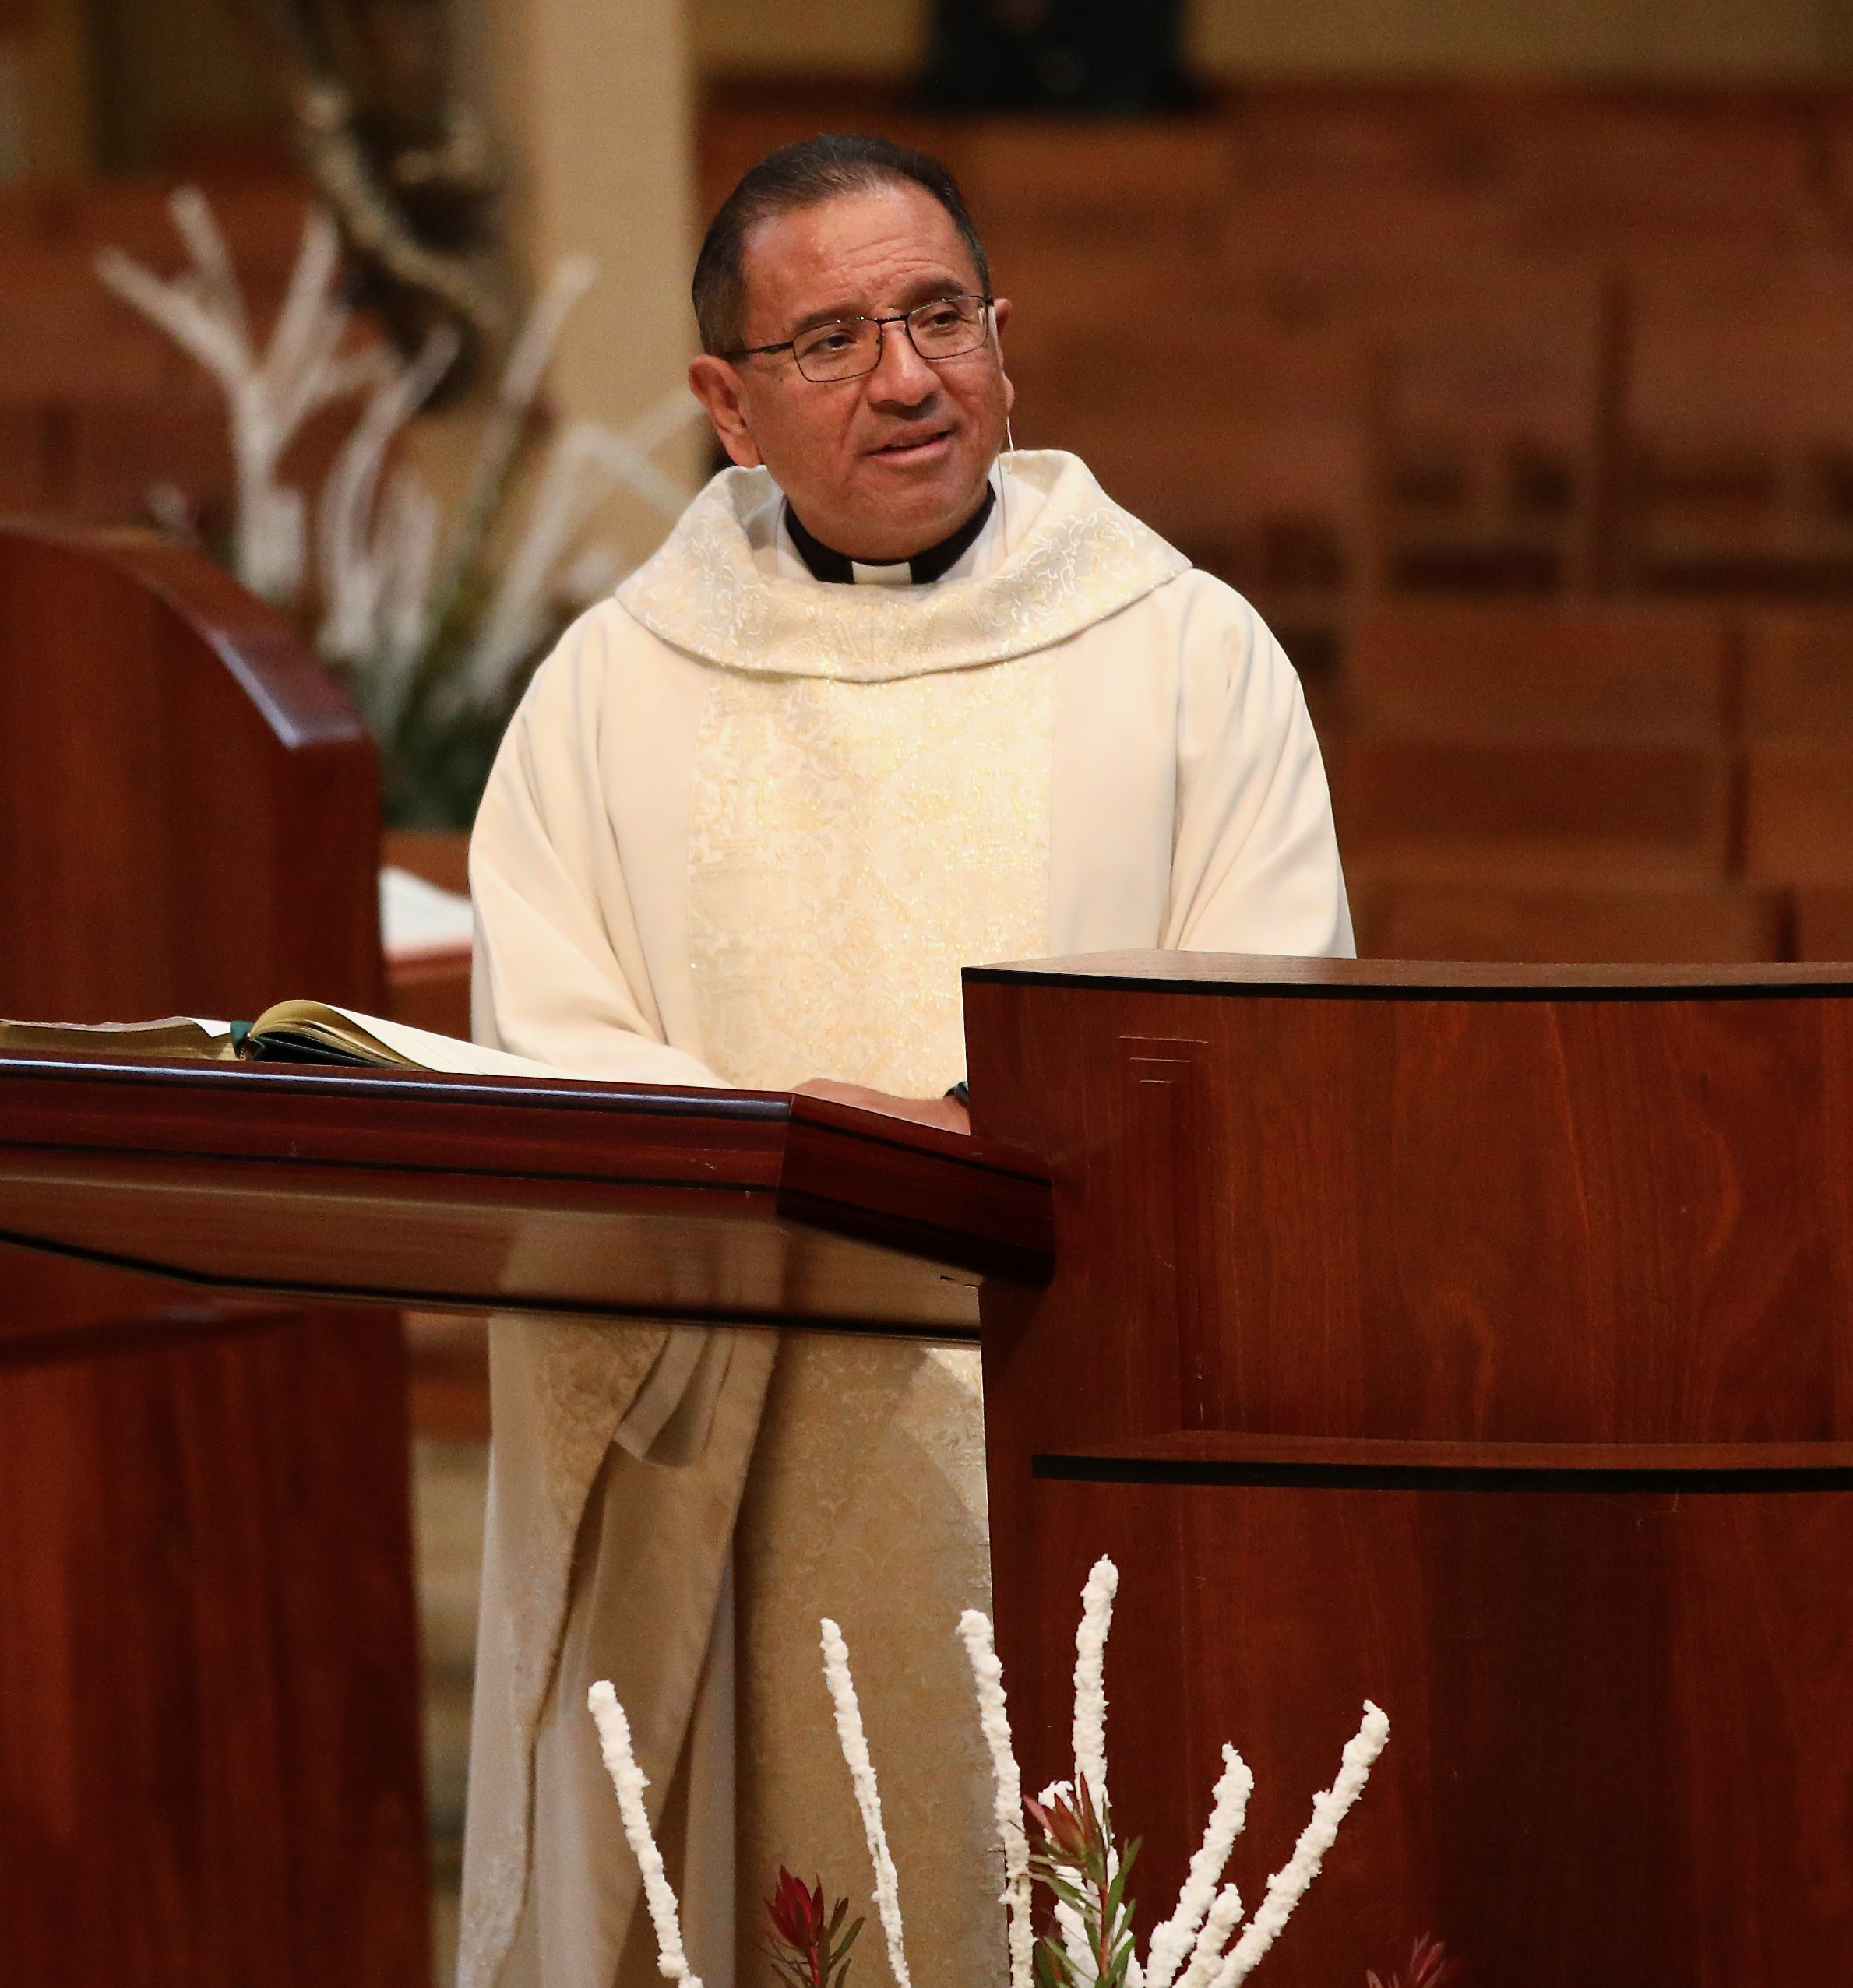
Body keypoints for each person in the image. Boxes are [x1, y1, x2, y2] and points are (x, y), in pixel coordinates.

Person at [456, 134, 1351, 1988]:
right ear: (725, 402)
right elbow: (543, 1063)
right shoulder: (611, 694)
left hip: (1079, 1457)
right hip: (735, 1461)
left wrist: (951, 1143)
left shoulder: (1185, 659)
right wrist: (804, 1146)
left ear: (1005, 343)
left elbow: (1272, 1051)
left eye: (940, 313)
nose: (908, 375)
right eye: (834, 338)